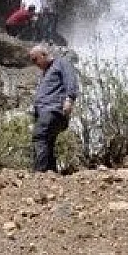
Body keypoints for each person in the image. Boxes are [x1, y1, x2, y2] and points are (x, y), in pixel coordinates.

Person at [28, 43, 78, 174]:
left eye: (35, 59)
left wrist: (69, 99)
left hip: (53, 110)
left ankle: (40, 173)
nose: (34, 63)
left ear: (44, 55)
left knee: (40, 136)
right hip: (45, 112)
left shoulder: (61, 63)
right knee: (47, 143)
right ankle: (50, 174)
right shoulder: (46, 72)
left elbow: (71, 79)